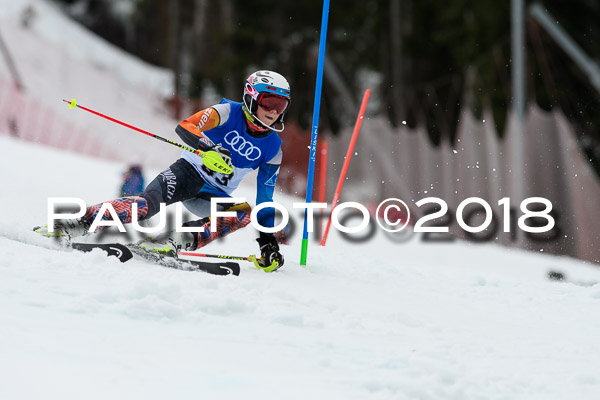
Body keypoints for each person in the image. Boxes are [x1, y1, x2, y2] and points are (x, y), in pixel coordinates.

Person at [36, 70, 290, 271]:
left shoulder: (274, 149)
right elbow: (186, 126)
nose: (274, 111)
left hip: (211, 195)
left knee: (242, 213)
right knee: (145, 206)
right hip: (187, 173)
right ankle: (74, 224)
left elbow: (265, 201)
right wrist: (208, 147)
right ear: (251, 96)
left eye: (281, 105)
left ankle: (171, 242)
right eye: (269, 102)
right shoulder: (227, 111)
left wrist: (267, 243)